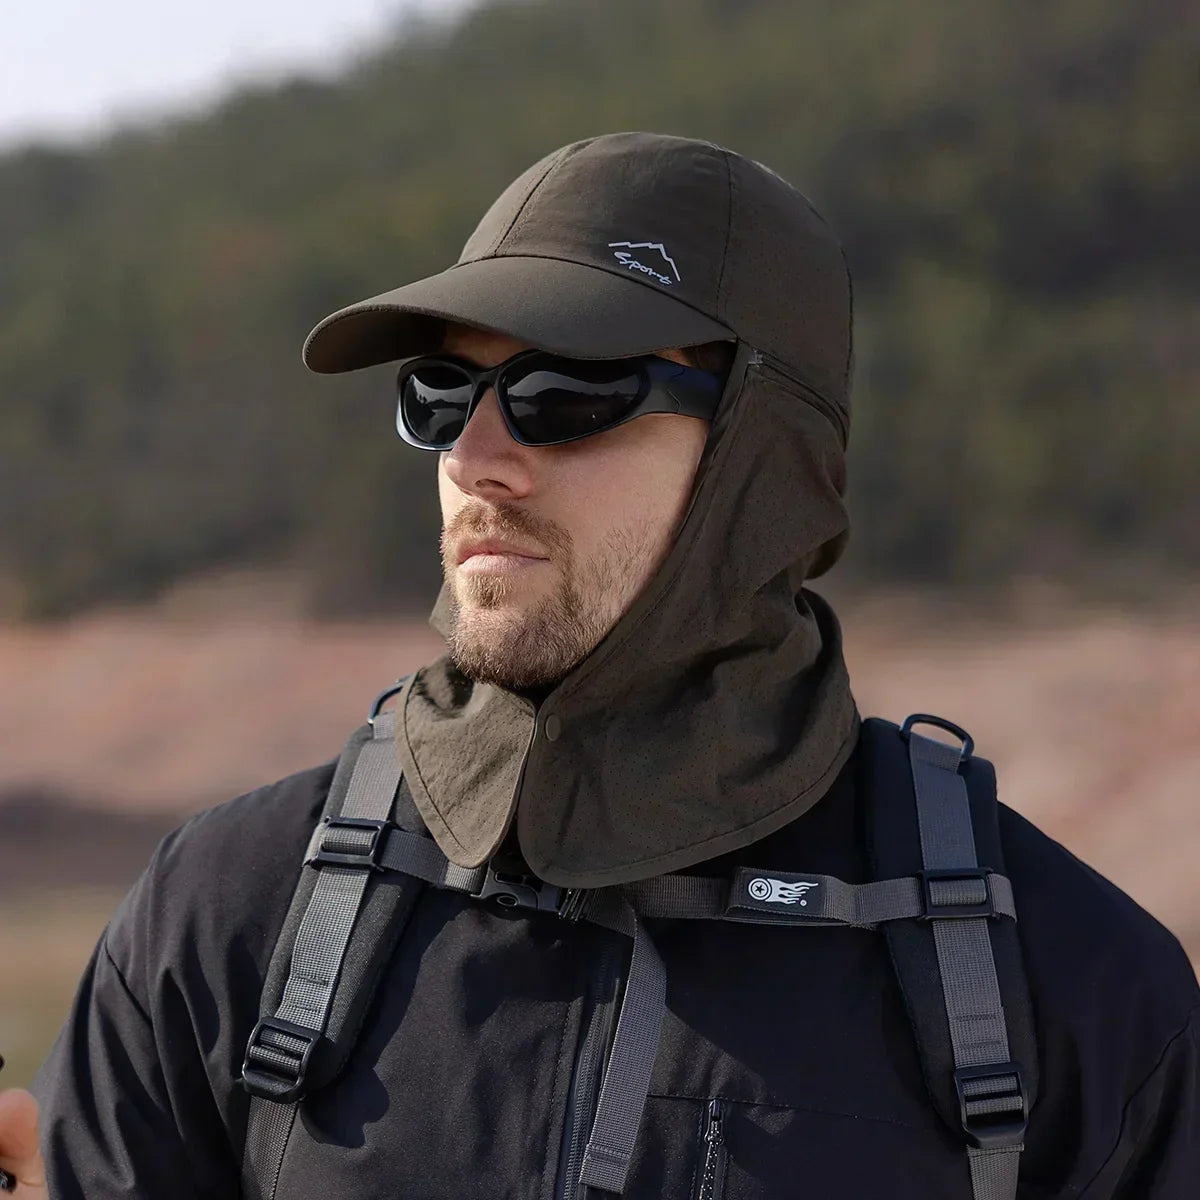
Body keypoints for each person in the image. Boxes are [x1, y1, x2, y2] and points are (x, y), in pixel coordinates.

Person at [4, 131, 1198, 1198]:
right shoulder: (226, 915)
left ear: (764, 458)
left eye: (566, 393)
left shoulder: (1073, 992)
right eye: (441, 394)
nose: (475, 458)